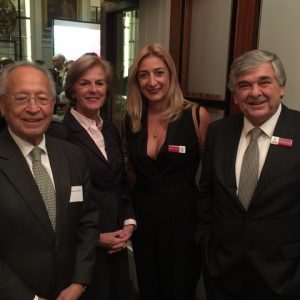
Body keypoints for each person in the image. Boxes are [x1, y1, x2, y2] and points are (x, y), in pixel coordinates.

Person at [196, 49, 300, 300]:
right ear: (235, 95)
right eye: (244, 85)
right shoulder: (219, 132)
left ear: (281, 87)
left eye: (264, 82)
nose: (255, 92)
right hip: (223, 272)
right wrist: (206, 245)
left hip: (283, 278)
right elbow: (206, 194)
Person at [0, 61, 98, 300]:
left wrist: (79, 281)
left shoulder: (73, 156)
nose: (34, 108)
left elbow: (88, 220)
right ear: (3, 105)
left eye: (42, 99)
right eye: (22, 98)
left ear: (53, 104)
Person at [125, 42, 211, 300]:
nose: (152, 81)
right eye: (144, 74)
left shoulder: (196, 116)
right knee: (149, 288)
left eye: (159, 72)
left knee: (180, 289)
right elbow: (131, 171)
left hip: (183, 221)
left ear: (171, 75)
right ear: (137, 80)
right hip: (144, 221)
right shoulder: (131, 118)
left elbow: (211, 178)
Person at [47, 54, 136, 300]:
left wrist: (129, 222)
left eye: (99, 83)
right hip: (82, 250)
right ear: (72, 89)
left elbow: (119, 183)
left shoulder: (109, 129)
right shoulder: (59, 134)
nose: (93, 89)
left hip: (116, 242)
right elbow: (57, 203)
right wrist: (96, 238)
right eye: (85, 83)